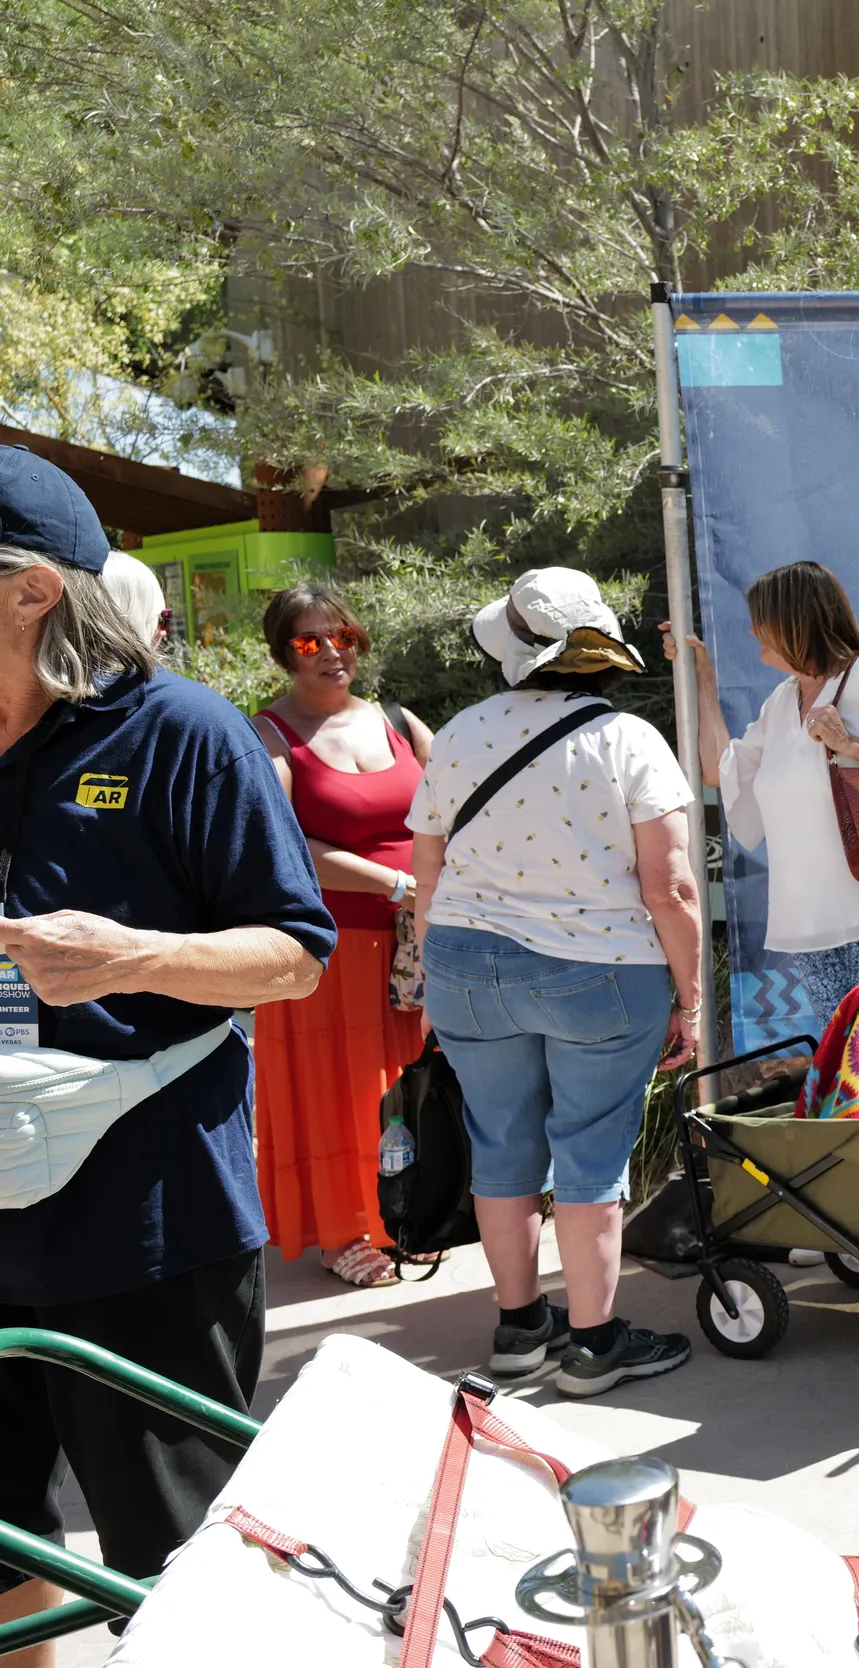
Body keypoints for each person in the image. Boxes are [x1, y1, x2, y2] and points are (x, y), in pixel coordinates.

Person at [0, 447, 331, 1660]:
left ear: (32, 590)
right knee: (6, 1548)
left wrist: (130, 957)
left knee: (181, 1571)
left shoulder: (181, 734)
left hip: (146, 1221)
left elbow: (294, 957)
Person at [407, 568, 701, 1398]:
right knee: (590, 1158)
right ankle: (595, 1345)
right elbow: (671, 886)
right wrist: (690, 999)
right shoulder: (629, 739)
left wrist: (436, 975)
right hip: (600, 972)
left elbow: (427, 872)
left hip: (466, 965)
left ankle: (519, 1329)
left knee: (501, 1148)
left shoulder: (460, 732)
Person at [664, 561, 859, 1021]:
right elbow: (719, 770)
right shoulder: (782, 700)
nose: (752, 631)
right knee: (843, 1055)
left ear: (794, 621)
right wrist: (702, 679)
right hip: (811, 919)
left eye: (761, 620)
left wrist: (854, 746)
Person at [249, 587, 433, 1287]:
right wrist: (396, 885)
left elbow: (454, 809)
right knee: (338, 1093)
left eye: (343, 636)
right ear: (284, 654)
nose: (331, 651)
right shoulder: (269, 734)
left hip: (415, 940)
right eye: (310, 641)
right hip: (328, 946)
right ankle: (344, 1231)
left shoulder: (399, 721)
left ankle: (410, 1211)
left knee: (411, 1083)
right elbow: (283, 843)